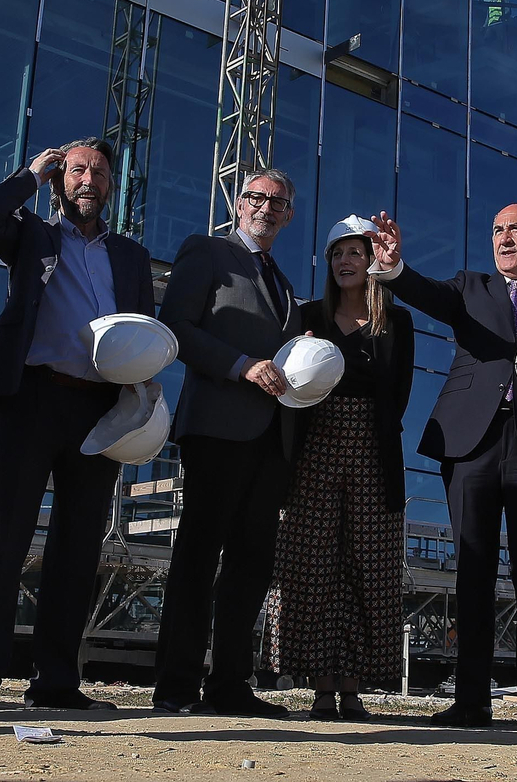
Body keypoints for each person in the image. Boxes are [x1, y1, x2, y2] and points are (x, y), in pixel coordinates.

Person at [368, 205, 517, 731]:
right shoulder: (470, 287)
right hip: (470, 444)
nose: (502, 237)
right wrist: (393, 267)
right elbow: (425, 293)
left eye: (514, 229)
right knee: (473, 571)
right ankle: (471, 699)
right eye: (496, 230)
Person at [0, 138, 155, 711]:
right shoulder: (32, 234)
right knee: (6, 536)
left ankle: (58, 680)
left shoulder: (131, 257)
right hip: (34, 398)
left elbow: (142, 329)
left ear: (111, 183)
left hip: (100, 410)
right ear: (61, 180)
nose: (88, 179)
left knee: (79, 549)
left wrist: (143, 382)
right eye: (76, 170)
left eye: (98, 171)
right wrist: (33, 173)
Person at [152, 169, 302, 718]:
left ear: (288, 215)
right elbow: (176, 327)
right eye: (257, 197)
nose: (266, 207)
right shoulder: (207, 252)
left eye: (278, 202)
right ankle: (176, 684)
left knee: (251, 564)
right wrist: (241, 366)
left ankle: (231, 684)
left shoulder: (284, 283)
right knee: (198, 556)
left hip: (271, 438)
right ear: (239, 204)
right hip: (217, 427)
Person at [268, 215, 414, 721]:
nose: (346, 261)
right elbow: (289, 382)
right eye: (338, 254)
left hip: (373, 451)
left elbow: (399, 396)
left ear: (372, 261)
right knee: (313, 568)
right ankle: (320, 689)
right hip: (315, 449)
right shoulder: (309, 314)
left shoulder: (397, 322)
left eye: (356, 252)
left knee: (366, 567)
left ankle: (351, 689)